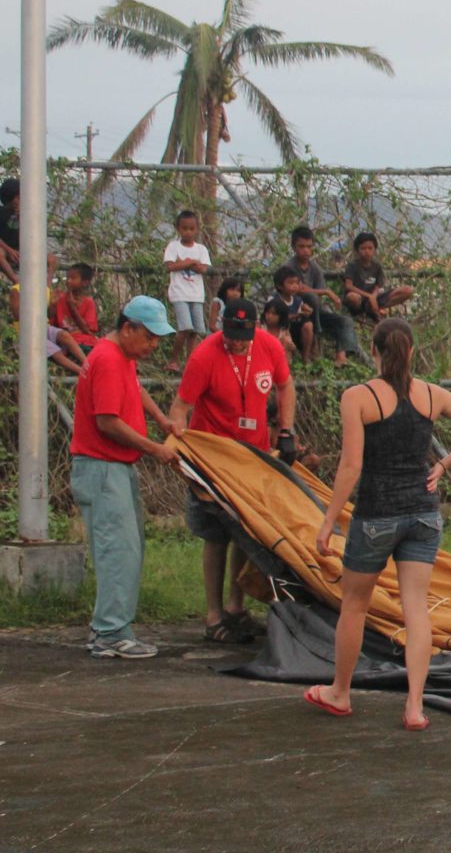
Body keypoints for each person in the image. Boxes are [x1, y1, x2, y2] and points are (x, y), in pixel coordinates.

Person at [308, 319, 451, 731]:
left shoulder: (357, 397)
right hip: (424, 515)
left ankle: (339, 693)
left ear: (373, 351)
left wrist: (328, 520)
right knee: (416, 609)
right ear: (411, 351)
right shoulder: (430, 394)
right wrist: (444, 464)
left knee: (354, 604)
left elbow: (352, 465)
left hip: (376, 516)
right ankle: (414, 707)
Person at [168, 299, 296, 645]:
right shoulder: (205, 356)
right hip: (214, 457)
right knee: (216, 535)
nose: (235, 343)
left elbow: (285, 386)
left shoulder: (269, 347)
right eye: (230, 335)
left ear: (254, 328)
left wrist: (286, 430)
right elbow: (181, 408)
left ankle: (236, 607)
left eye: (242, 336)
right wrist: (181, 446)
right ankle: (214, 616)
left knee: (247, 530)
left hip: (251, 456)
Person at [70, 297, 182, 659]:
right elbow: (107, 422)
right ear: (128, 327)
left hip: (113, 468)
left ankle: (111, 627)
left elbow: (135, 388)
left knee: (127, 548)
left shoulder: (120, 357)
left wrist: (162, 419)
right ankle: (110, 634)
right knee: (118, 551)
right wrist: (155, 448)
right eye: (149, 337)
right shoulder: (106, 359)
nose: (153, 345)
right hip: (102, 467)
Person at [288, 225, 364, 364]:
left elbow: (314, 291)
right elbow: (297, 291)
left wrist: (320, 292)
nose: (306, 250)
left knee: (345, 321)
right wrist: (326, 292)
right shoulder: (289, 267)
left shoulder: (314, 267)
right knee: (311, 297)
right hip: (297, 314)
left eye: (309, 246)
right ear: (294, 247)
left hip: (316, 312)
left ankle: (341, 358)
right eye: (301, 246)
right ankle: (316, 337)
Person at [162, 209, 211, 371]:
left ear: (197, 229)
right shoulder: (173, 247)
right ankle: (174, 360)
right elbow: (170, 266)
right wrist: (190, 263)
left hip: (196, 295)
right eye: (184, 229)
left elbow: (203, 268)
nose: (188, 232)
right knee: (185, 328)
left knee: (195, 331)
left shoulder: (201, 249)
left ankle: (190, 362)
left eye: (191, 229)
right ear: (178, 229)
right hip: (179, 293)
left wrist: (184, 263)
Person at [341, 232, 413, 323]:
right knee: (353, 297)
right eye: (363, 248)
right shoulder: (352, 266)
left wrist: (373, 296)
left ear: (374, 250)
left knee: (407, 290)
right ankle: (359, 314)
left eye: (370, 248)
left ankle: (375, 310)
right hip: (359, 298)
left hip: (373, 299)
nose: (367, 251)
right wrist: (369, 296)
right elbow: (348, 286)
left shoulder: (377, 267)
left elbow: (378, 285)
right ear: (357, 250)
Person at [269, 265, 319, 360]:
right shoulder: (274, 300)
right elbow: (275, 319)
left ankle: (306, 356)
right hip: (281, 332)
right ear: (280, 286)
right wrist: (298, 315)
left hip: (296, 332)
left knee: (308, 325)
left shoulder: (297, 300)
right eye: (291, 283)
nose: (295, 286)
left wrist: (306, 310)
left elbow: (303, 312)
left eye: (297, 283)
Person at [52, 262, 101, 350]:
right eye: (67, 277)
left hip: (82, 340)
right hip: (64, 340)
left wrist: (72, 307)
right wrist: (52, 305)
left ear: (85, 283)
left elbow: (87, 331)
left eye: (73, 278)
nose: (68, 281)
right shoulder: (60, 298)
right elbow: (52, 323)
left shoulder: (89, 303)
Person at [0, 176, 20, 283]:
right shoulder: (2, 212)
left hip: (19, 249)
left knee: (52, 259)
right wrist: (9, 250)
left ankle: (48, 286)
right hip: (5, 248)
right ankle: (16, 281)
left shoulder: (26, 212)